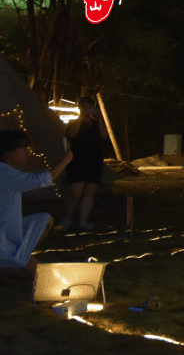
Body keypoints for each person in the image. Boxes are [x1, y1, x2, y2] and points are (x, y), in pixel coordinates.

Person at [0, 130, 72, 275]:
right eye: (23, 148)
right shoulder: (5, 172)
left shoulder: (8, 171)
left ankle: (18, 258)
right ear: (8, 152)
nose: (28, 152)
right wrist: (65, 160)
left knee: (44, 220)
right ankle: (18, 262)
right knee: (30, 263)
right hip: (2, 235)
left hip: (7, 229)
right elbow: (41, 180)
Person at [59, 96, 108, 233]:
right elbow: (71, 135)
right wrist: (82, 118)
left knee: (90, 192)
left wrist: (99, 118)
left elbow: (104, 136)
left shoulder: (96, 123)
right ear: (79, 107)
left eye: (89, 106)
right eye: (84, 106)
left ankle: (83, 221)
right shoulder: (73, 123)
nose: (87, 109)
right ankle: (67, 219)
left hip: (94, 160)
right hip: (77, 161)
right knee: (75, 192)